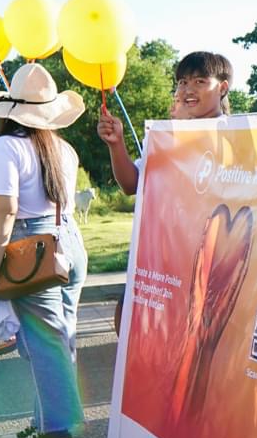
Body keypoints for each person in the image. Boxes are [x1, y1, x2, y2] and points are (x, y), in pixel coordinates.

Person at [0, 63, 89, 438]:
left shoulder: (6, 146)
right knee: (59, 340)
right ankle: (47, 421)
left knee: (46, 343)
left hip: (32, 247)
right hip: (68, 242)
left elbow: (4, 212)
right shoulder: (64, 148)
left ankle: (55, 430)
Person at [98, 51, 232, 333]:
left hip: (208, 263)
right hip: (160, 259)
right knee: (130, 325)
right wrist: (116, 144)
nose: (187, 90)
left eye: (199, 81)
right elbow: (131, 184)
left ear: (222, 87)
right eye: (182, 82)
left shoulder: (236, 134)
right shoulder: (163, 136)